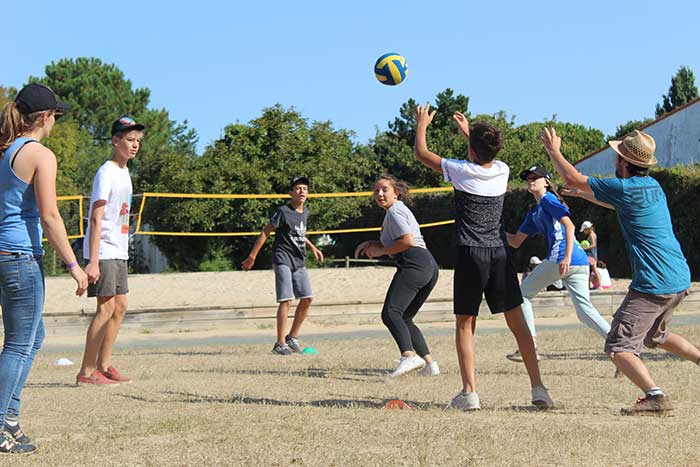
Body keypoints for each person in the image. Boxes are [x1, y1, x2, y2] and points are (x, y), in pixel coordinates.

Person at [542, 127, 700, 415]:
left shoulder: (627, 188)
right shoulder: (652, 187)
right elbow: (615, 201)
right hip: (678, 277)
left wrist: (554, 151)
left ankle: (656, 397)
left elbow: (570, 176)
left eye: (617, 157)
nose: (615, 161)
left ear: (624, 163)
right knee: (655, 336)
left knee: (618, 347)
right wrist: (584, 194)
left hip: (654, 282)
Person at [414, 103, 553, 410]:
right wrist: (470, 135)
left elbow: (422, 155)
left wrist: (422, 125)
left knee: (465, 324)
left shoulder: (461, 171)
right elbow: (481, 157)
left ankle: (469, 393)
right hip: (499, 253)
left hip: (470, 252)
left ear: (472, 151)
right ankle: (538, 388)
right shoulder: (502, 170)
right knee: (518, 323)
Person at [0, 84, 88, 454]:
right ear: (47, 117)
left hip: (6, 254)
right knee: (20, 344)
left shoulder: (5, 150)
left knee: (33, 338)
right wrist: (73, 264)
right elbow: (50, 216)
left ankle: (10, 419)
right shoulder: (39, 154)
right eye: (56, 115)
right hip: (20, 256)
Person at [505, 166, 610, 363]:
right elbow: (516, 241)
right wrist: (494, 231)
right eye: (528, 177)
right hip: (578, 262)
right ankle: (618, 344)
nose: (530, 179)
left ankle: (530, 346)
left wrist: (566, 257)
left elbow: (569, 225)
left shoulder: (547, 199)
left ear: (546, 181)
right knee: (584, 312)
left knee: (522, 295)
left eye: (535, 177)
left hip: (563, 258)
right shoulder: (535, 210)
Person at [77, 116, 144, 386]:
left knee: (120, 307)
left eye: (138, 140)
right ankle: (86, 371)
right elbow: (96, 217)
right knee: (105, 309)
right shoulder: (106, 171)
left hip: (119, 248)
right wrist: (93, 261)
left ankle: (104, 365)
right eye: (129, 139)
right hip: (103, 249)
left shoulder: (124, 171)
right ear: (115, 140)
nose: (135, 145)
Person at [354, 174, 440, 378]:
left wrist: (379, 252)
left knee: (390, 313)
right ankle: (430, 364)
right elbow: (398, 242)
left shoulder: (394, 211)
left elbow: (407, 241)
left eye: (384, 189)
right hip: (428, 265)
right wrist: (372, 245)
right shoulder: (395, 212)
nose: (379, 193)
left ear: (397, 192)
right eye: (376, 190)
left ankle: (408, 355)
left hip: (415, 263)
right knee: (405, 317)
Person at [242, 176, 324, 355]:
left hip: (299, 260)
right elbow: (266, 232)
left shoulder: (305, 212)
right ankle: (279, 343)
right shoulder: (283, 211)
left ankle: (292, 337)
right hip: (282, 258)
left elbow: (299, 234)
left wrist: (313, 247)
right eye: (298, 188)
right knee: (286, 299)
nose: (302, 191)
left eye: (305, 188)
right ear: (291, 193)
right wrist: (252, 256)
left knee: (307, 298)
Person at [580, 221, 602, 289]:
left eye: (584, 230)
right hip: (592, 255)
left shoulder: (591, 235)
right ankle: (589, 286)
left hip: (591, 255)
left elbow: (593, 244)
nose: (584, 232)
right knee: (591, 270)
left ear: (587, 229)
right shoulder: (592, 234)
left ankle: (599, 285)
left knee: (593, 270)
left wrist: (585, 248)